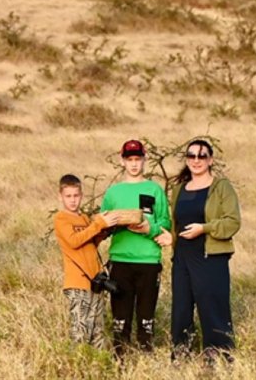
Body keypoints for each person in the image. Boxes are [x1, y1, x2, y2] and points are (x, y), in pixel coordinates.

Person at [155, 139, 241, 364]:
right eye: (191, 156)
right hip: (182, 257)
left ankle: (219, 357)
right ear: (186, 159)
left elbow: (233, 222)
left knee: (212, 305)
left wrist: (204, 228)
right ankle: (181, 356)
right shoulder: (179, 189)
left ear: (210, 160)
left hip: (209, 256)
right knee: (181, 308)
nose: (196, 160)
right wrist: (171, 238)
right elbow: (179, 224)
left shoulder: (221, 187)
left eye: (201, 156)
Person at [100, 139, 171, 356]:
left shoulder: (154, 189)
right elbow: (102, 224)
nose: (133, 164)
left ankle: (145, 353)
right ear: (122, 161)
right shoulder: (113, 193)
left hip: (148, 260)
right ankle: (120, 355)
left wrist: (149, 228)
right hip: (121, 259)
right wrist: (109, 224)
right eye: (129, 159)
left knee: (146, 314)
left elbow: (165, 223)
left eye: (137, 159)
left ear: (144, 160)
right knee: (120, 315)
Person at [54, 174, 122, 349]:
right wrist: (98, 223)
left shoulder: (84, 218)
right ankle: (77, 368)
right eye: (68, 196)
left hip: (95, 281)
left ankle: (97, 367)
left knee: (97, 330)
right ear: (60, 197)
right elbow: (74, 241)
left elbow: (89, 243)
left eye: (76, 196)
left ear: (81, 195)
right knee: (80, 330)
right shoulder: (61, 219)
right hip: (77, 282)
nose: (73, 200)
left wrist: (104, 230)